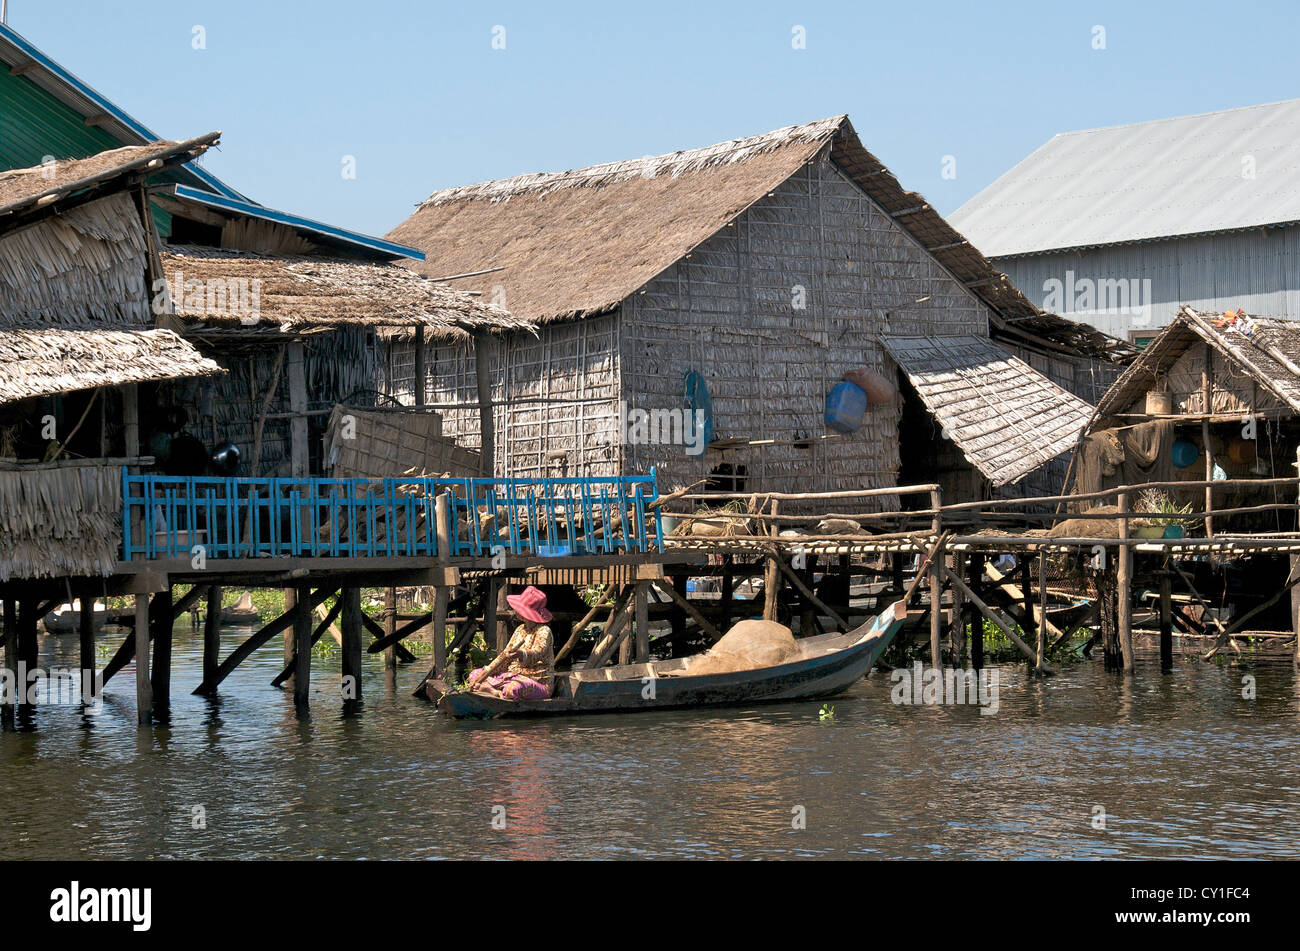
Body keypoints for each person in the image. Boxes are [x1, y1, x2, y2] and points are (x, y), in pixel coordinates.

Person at [467, 586, 554, 700]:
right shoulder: (520, 629)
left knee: (512, 689)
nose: (516, 610)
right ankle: (494, 689)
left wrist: (521, 654)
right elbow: (505, 656)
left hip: (537, 681)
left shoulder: (544, 631)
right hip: (513, 675)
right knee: (475, 674)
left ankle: (495, 693)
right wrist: (487, 671)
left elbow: (538, 652)